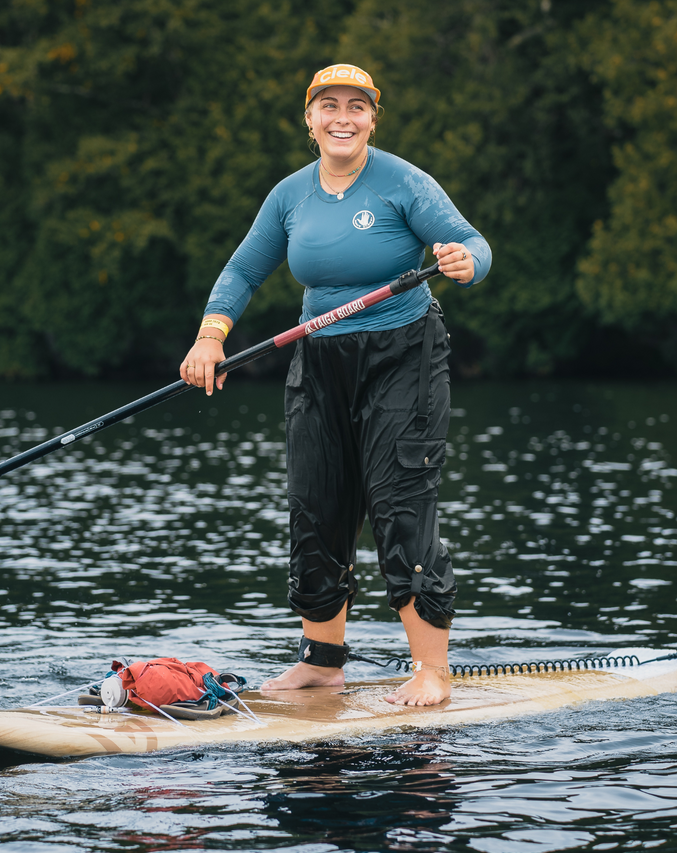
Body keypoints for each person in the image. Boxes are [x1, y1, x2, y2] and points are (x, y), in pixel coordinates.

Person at [179, 64, 491, 707]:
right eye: (329, 105)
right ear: (310, 119)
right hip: (318, 359)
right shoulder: (290, 195)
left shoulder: (404, 181)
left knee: (400, 505)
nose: (342, 117)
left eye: (356, 106)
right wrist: (211, 336)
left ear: (373, 119)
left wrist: (466, 262)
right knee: (316, 505)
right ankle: (322, 663)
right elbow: (243, 269)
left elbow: (471, 243)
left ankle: (431, 670)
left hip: (403, 354)